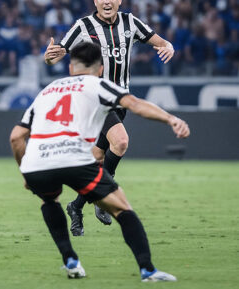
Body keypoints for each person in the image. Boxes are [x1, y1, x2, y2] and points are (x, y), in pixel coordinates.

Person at [10, 41, 188, 282]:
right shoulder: (97, 84)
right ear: (101, 68)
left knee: (49, 200)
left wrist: (25, 172)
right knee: (122, 208)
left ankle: (70, 260)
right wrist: (170, 119)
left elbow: (17, 136)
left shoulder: (48, 90)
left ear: (71, 68)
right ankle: (148, 270)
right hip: (75, 158)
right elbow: (134, 104)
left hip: (37, 163)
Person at [44, 0, 176, 236]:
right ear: (95, 1)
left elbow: (160, 42)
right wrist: (47, 58)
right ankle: (104, 195)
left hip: (120, 99)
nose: (106, 1)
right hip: (95, 99)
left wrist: (168, 45)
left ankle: (76, 206)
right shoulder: (83, 26)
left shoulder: (131, 23)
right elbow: (55, 54)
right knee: (122, 142)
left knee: (97, 158)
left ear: (119, 0)